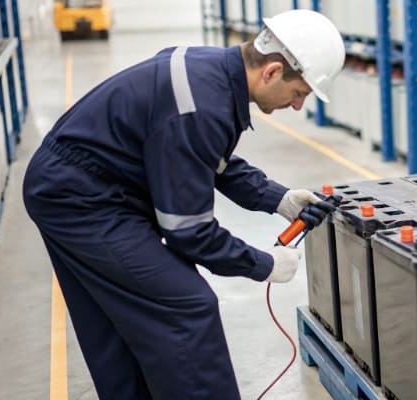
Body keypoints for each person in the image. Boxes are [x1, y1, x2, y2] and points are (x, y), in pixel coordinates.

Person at [22, 9, 345, 400]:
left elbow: (208, 158)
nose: (297, 106)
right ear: (273, 72)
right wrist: (264, 264)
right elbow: (189, 232)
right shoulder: (201, 105)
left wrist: (279, 199)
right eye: (299, 94)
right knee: (187, 306)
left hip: (76, 186)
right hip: (81, 201)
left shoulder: (210, 73)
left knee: (116, 322)